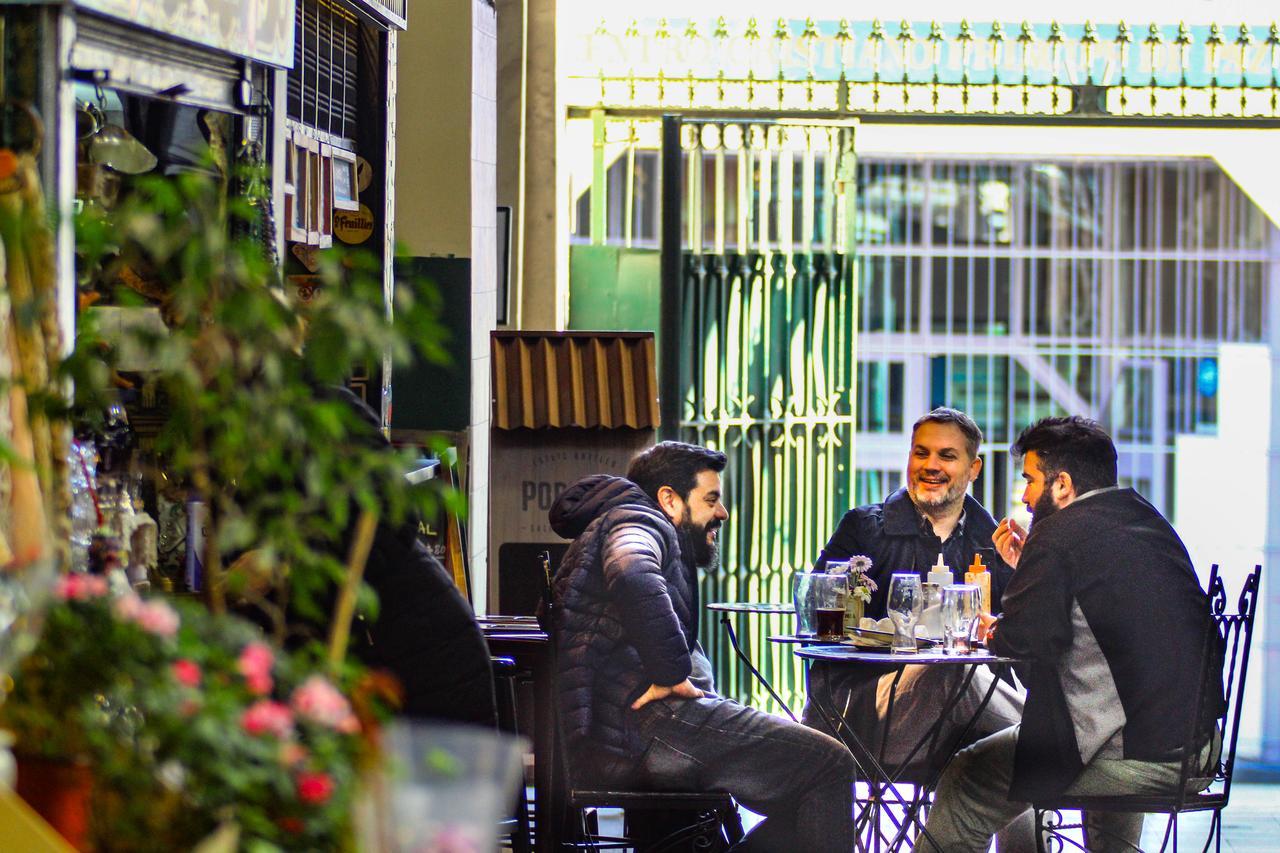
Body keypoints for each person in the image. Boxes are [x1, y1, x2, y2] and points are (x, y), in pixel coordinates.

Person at [921, 416, 1223, 853]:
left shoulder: (1058, 533)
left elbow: (1024, 647)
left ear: (1061, 484)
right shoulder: (1145, 519)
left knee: (968, 779)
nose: (1024, 497)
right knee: (1099, 726)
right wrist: (1034, 566)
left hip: (1138, 756)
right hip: (1196, 745)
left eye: (1029, 480)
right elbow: (1099, 611)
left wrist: (995, 627)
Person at [548, 441, 856, 852]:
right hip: (641, 727)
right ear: (670, 500)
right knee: (830, 764)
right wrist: (671, 672)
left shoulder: (620, 518)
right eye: (711, 499)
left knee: (806, 785)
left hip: (617, 731)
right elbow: (632, 572)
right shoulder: (641, 521)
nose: (722, 513)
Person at [805, 408, 1024, 777]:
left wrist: (1023, 575)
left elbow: (1022, 639)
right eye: (921, 453)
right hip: (866, 714)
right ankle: (1050, 743)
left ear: (974, 469)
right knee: (952, 671)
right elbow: (817, 610)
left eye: (947, 456)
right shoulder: (864, 528)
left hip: (965, 725)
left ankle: (1033, 751)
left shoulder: (995, 543)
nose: (930, 465)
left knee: (1004, 759)